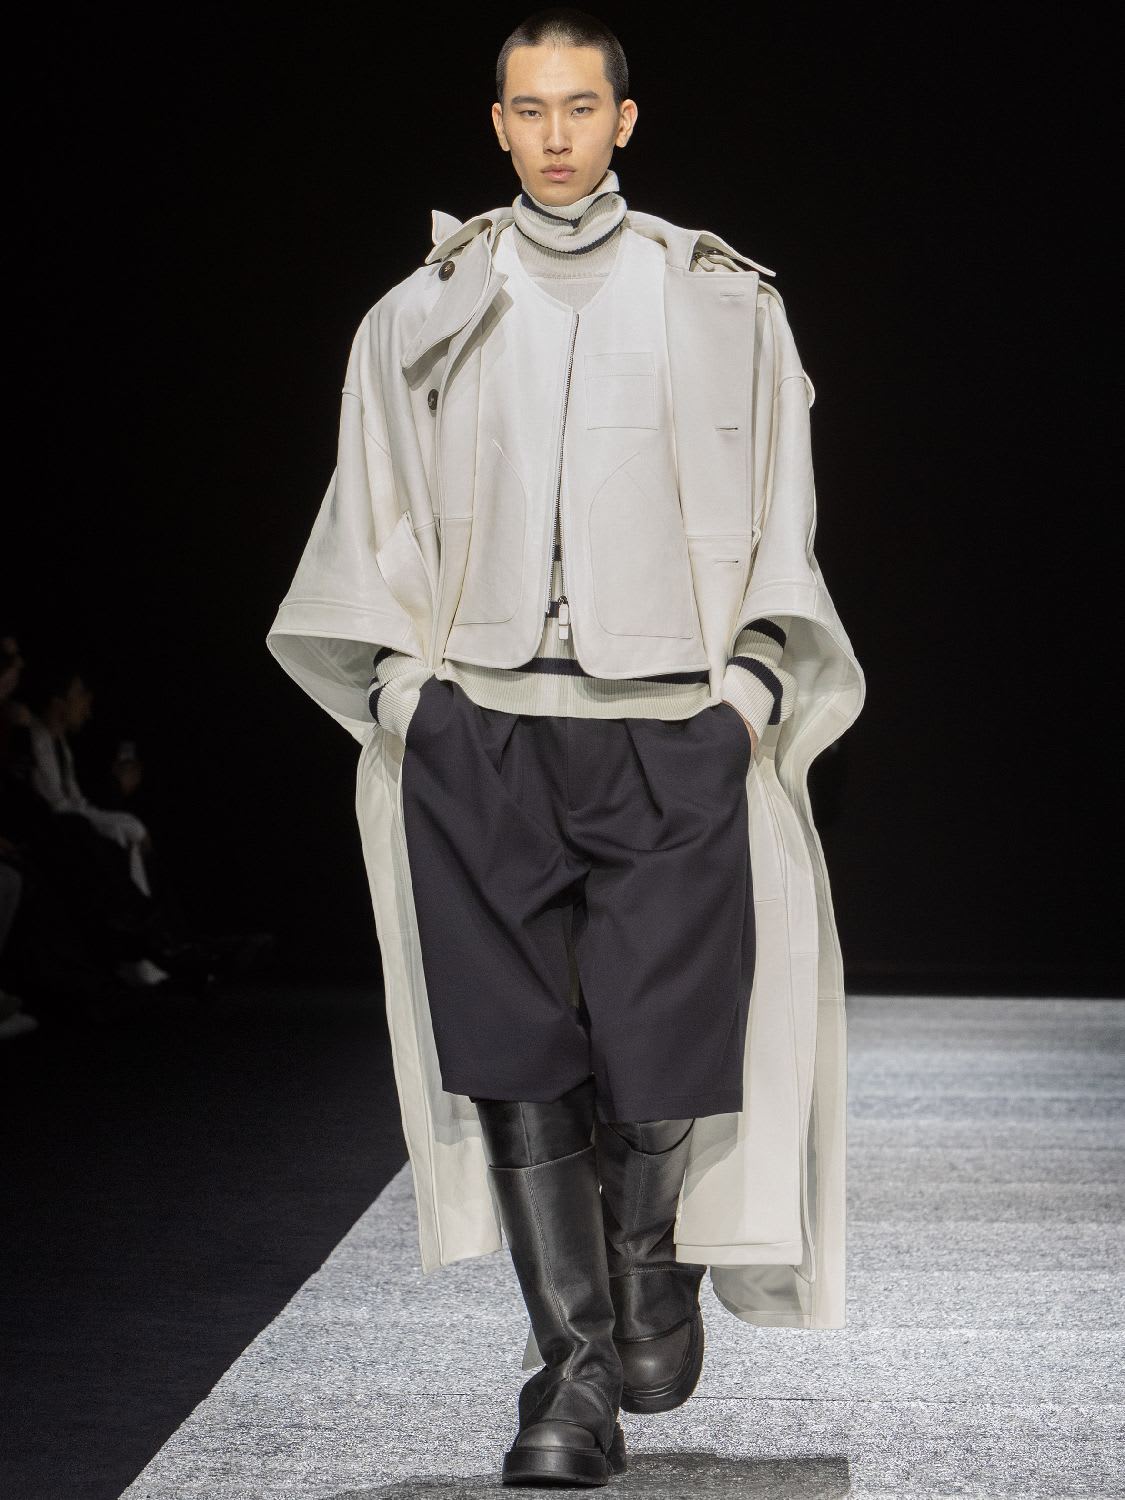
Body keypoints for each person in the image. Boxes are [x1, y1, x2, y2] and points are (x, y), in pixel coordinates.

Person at [268, 7, 865, 1487]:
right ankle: (573, 1378)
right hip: (480, 725)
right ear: (497, 124)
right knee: (513, 1056)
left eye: (579, 106)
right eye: (528, 109)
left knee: (665, 1048)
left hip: (667, 726)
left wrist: (747, 690)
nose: (553, 134)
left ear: (623, 119)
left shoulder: (720, 301)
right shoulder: (421, 310)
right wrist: (406, 697)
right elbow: (366, 502)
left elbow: (783, 500)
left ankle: (649, 1266)